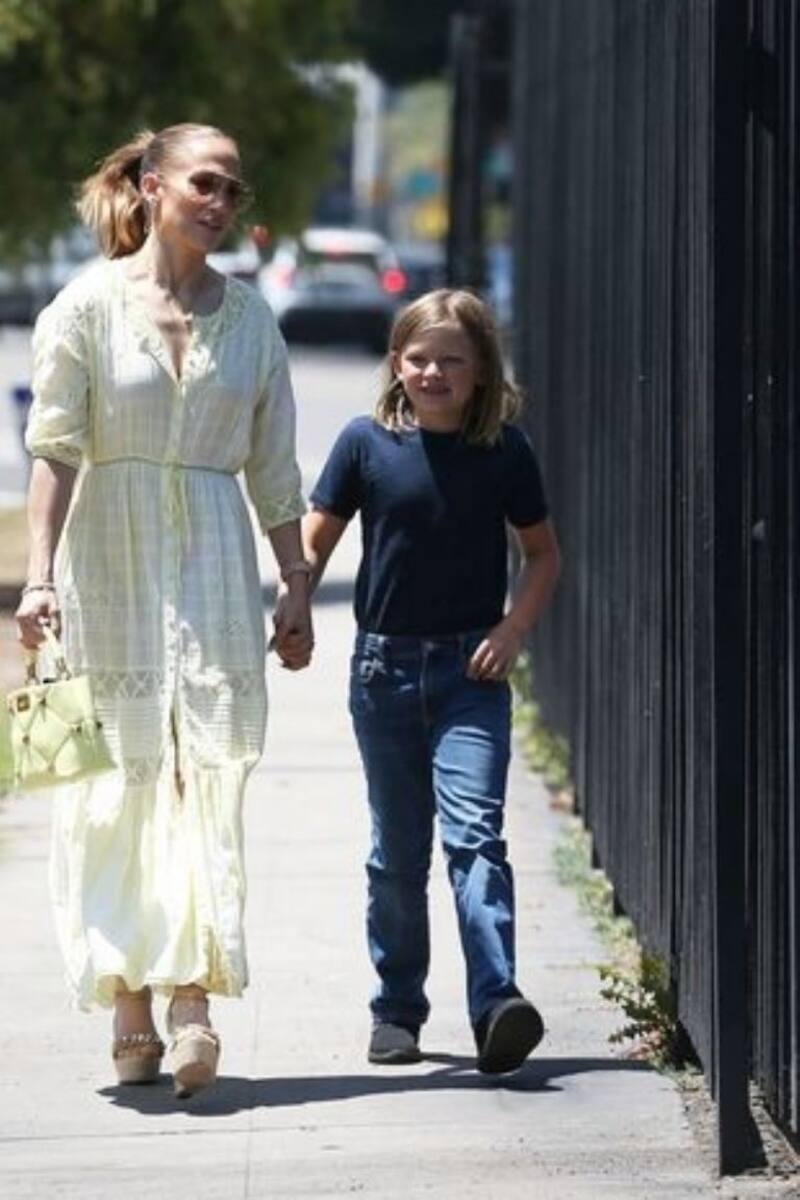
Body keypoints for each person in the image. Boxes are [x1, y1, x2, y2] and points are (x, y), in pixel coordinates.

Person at [14, 123, 313, 1097]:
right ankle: (128, 1000)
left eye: (232, 189)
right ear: (150, 186)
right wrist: (39, 578)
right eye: (203, 184)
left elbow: (274, 466)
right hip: (110, 564)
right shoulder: (85, 306)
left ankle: (192, 1001)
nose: (220, 203)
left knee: (205, 772)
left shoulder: (252, 322)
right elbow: (54, 449)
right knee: (116, 780)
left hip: (215, 567)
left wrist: (295, 581)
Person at [303, 289, 561, 1073]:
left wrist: (512, 630)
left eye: (452, 359)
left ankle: (496, 1002)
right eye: (418, 358)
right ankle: (397, 1009)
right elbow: (316, 540)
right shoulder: (365, 443)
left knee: (475, 838)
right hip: (383, 673)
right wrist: (293, 603)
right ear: (395, 363)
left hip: (470, 674)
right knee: (397, 852)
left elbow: (542, 555)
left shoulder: (504, 451)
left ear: (481, 369)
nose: (433, 373)